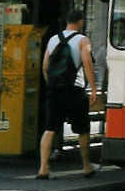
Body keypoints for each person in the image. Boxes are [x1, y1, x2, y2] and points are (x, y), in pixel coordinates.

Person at [37, 9, 97, 179]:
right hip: (75, 90)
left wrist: (51, 84)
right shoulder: (83, 40)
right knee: (82, 129)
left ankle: (43, 168)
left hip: (55, 90)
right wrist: (92, 88)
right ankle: (86, 166)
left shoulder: (53, 39)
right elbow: (87, 65)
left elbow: (45, 66)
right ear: (81, 22)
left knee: (50, 129)